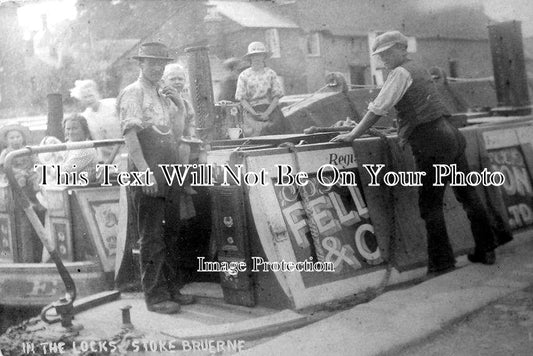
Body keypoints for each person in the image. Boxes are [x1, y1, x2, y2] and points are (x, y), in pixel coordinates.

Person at [331, 31, 498, 276]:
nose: (383, 59)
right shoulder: (417, 67)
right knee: (468, 194)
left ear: (401, 48)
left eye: (388, 53)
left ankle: (442, 263)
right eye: (380, 55)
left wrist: (352, 135)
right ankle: (487, 249)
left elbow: (379, 108)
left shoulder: (400, 73)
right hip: (451, 134)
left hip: (431, 141)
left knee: (430, 204)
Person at [116, 42, 195, 314]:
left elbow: (174, 134)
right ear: (141, 64)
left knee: (171, 230)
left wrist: (180, 108)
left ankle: (173, 288)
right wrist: (144, 172)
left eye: (161, 64)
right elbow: (130, 136)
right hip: (147, 165)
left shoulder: (162, 93)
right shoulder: (133, 92)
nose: (157, 68)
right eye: (151, 63)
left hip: (168, 162)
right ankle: (155, 296)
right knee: (151, 235)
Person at [235, 41, 290, 136]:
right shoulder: (244, 75)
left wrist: (267, 113)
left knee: (278, 133)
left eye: (260, 55)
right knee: (254, 135)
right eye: (254, 55)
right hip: (251, 112)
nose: (257, 58)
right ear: (250, 58)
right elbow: (241, 99)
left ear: (264, 57)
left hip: (271, 111)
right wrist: (254, 114)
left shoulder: (271, 73)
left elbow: (276, 96)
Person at [70, 80, 122, 165]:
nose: (89, 99)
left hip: (123, 149)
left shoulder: (113, 104)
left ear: (97, 94)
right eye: (85, 97)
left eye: (91, 95)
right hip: (104, 157)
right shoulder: (85, 116)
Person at [0, 124, 42, 210]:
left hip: (28, 172)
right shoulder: (6, 152)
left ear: (22, 138)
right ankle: (25, 202)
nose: (16, 140)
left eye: (18, 137)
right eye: (12, 138)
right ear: (7, 140)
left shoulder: (27, 149)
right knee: (21, 180)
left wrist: (36, 169)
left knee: (37, 178)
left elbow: (36, 161)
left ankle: (40, 200)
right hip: (13, 174)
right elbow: (3, 166)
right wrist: (17, 171)